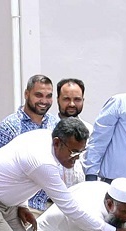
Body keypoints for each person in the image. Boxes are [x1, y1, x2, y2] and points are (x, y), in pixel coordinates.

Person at [30, 78, 91, 214]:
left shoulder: (90, 131)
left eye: (77, 99)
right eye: (66, 99)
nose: (71, 104)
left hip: (78, 205)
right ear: (57, 99)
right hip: (45, 206)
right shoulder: (45, 129)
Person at [0, 74, 58, 153]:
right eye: (38, 95)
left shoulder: (55, 124)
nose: (44, 101)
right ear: (26, 94)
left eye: (48, 96)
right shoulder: (8, 127)